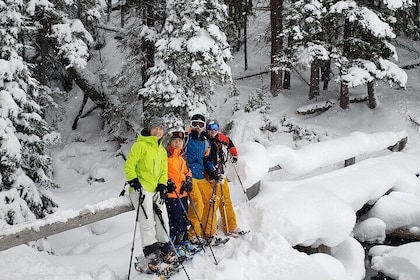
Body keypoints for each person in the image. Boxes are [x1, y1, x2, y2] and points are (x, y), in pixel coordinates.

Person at [124, 116, 177, 274]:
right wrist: (134, 180)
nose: (158, 131)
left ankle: (165, 250)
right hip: (141, 190)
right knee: (147, 222)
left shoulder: (161, 150)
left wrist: (162, 184)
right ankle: (153, 257)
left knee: (163, 220)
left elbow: (163, 170)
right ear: (149, 129)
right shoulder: (140, 145)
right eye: (155, 127)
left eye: (161, 128)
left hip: (155, 190)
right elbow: (129, 165)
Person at [185, 114, 224, 245]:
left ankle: (209, 232)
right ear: (191, 124)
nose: (197, 127)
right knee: (198, 203)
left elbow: (207, 159)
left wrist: (213, 172)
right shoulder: (186, 138)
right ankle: (194, 233)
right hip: (189, 176)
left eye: (200, 124)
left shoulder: (205, 142)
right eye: (194, 123)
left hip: (201, 176)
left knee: (212, 201)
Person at [206, 119, 244, 236]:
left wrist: (234, 155)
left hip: (221, 175)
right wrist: (212, 172)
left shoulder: (221, 137)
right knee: (213, 204)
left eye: (216, 127)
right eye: (210, 128)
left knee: (226, 201)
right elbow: (205, 159)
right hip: (211, 177)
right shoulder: (205, 141)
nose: (213, 131)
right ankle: (209, 231)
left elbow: (230, 143)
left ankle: (231, 226)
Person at [165, 129, 195, 252]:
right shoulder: (166, 157)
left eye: (179, 141)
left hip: (182, 194)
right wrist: (167, 182)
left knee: (184, 217)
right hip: (171, 195)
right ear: (170, 142)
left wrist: (188, 181)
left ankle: (184, 240)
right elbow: (162, 173)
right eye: (175, 141)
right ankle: (175, 243)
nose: (177, 143)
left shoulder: (182, 158)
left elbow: (187, 172)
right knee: (175, 219)